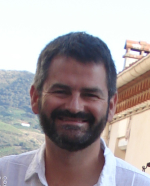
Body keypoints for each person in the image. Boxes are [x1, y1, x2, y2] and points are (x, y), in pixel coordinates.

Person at [0, 32, 150, 186]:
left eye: (90, 95)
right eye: (61, 92)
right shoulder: (4, 175)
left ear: (111, 106)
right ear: (35, 98)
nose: (74, 107)